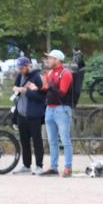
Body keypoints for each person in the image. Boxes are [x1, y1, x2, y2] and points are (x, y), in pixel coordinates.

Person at [41, 49, 74, 177]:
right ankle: (53, 167)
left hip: (62, 108)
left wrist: (49, 86)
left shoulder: (65, 74)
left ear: (57, 60)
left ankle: (68, 167)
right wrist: (39, 87)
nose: (48, 60)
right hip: (49, 108)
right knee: (52, 140)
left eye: (50, 58)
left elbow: (62, 92)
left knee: (65, 140)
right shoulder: (49, 73)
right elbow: (46, 90)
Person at [11, 56, 46, 174]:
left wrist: (27, 91)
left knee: (37, 141)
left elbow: (42, 97)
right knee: (24, 141)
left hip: (33, 114)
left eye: (22, 68)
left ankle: (39, 165)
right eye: (19, 68)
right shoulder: (20, 76)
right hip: (21, 113)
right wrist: (16, 89)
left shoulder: (37, 77)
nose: (20, 70)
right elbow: (16, 89)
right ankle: (26, 165)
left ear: (28, 66)